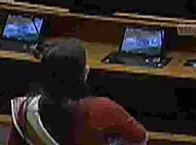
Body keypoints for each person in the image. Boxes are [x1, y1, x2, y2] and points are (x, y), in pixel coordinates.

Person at [8, 39, 147, 145]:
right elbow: (140, 138)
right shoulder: (103, 108)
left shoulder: (23, 109)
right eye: (85, 64)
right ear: (82, 74)